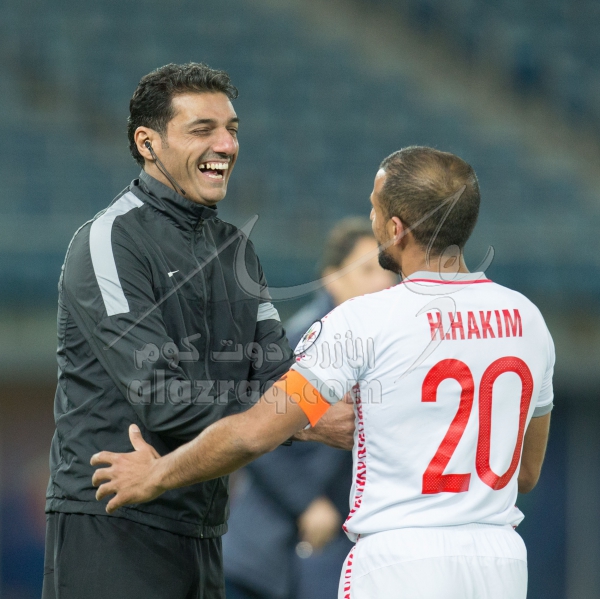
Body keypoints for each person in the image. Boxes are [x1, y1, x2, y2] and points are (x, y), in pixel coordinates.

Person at [91, 146, 554, 599]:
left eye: (375, 209)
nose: (371, 219)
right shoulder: (528, 321)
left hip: (402, 562)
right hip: (500, 563)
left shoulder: (364, 321)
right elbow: (526, 472)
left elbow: (254, 434)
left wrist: (157, 474)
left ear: (396, 230)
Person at [43, 62, 351, 599]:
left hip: (204, 527)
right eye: (202, 129)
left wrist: (302, 406)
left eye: (231, 129)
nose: (226, 145)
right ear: (148, 143)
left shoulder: (236, 249)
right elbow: (162, 397)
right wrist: (303, 418)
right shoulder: (109, 241)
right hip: (113, 518)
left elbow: (278, 376)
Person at [224, 218, 396, 599]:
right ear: (332, 279)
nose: (383, 282)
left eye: (387, 270)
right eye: (367, 270)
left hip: (321, 560)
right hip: (262, 556)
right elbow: (252, 430)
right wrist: (308, 503)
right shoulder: (304, 340)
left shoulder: (381, 343)